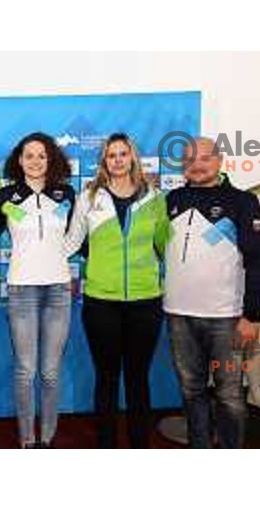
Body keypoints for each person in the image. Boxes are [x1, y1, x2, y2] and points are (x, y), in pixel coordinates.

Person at [65, 133, 169, 448]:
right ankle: (106, 446)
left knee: (138, 379)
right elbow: (70, 242)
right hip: (101, 302)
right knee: (107, 378)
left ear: (133, 158)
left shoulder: (154, 196)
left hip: (145, 301)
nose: (118, 160)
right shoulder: (89, 197)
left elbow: (165, 245)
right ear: (104, 161)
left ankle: (140, 445)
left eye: (124, 154)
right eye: (112, 155)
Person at [165, 137, 260, 449]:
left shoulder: (243, 201)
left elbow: (257, 262)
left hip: (226, 318)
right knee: (191, 390)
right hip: (178, 315)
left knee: (229, 395)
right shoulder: (172, 199)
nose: (197, 164)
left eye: (205, 157)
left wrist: (252, 316)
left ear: (220, 160)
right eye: (190, 158)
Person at [0, 133, 75, 448]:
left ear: (50, 159)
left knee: (50, 372)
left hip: (58, 289)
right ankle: (27, 440)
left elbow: (79, 235)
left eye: (42, 155)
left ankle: (47, 440)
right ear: (19, 160)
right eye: (29, 155)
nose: (35, 161)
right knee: (25, 370)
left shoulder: (66, 193)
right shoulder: (6, 195)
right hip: (21, 288)